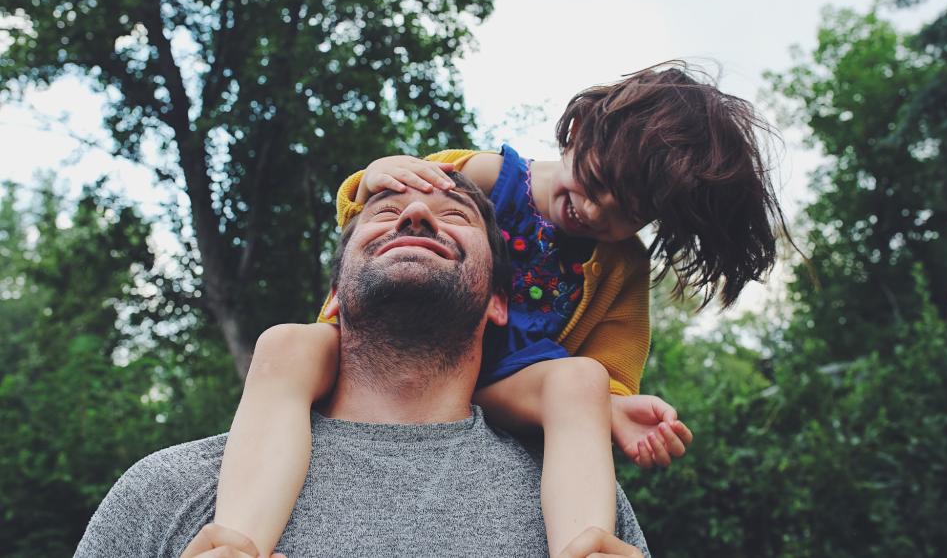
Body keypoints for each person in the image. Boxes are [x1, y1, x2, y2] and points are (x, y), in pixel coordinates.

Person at [215, 62, 784, 555]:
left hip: (502, 381)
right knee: (286, 345)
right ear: (579, 131)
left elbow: (612, 357)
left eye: (624, 211)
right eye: (596, 182)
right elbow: (390, 213)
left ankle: (585, 548)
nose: (592, 209)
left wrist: (611, 407)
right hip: (381, 354)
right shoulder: (489, 175)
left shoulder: (621, 266)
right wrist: (375, 176)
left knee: (579, 379)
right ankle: (233, 543)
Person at [76, 172, 651, 557]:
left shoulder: (586, 510)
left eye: (458, 216)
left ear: (500, 301)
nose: (419, 214)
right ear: (334, 297)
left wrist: (616, 400)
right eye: (385, 210)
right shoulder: (170, 491)